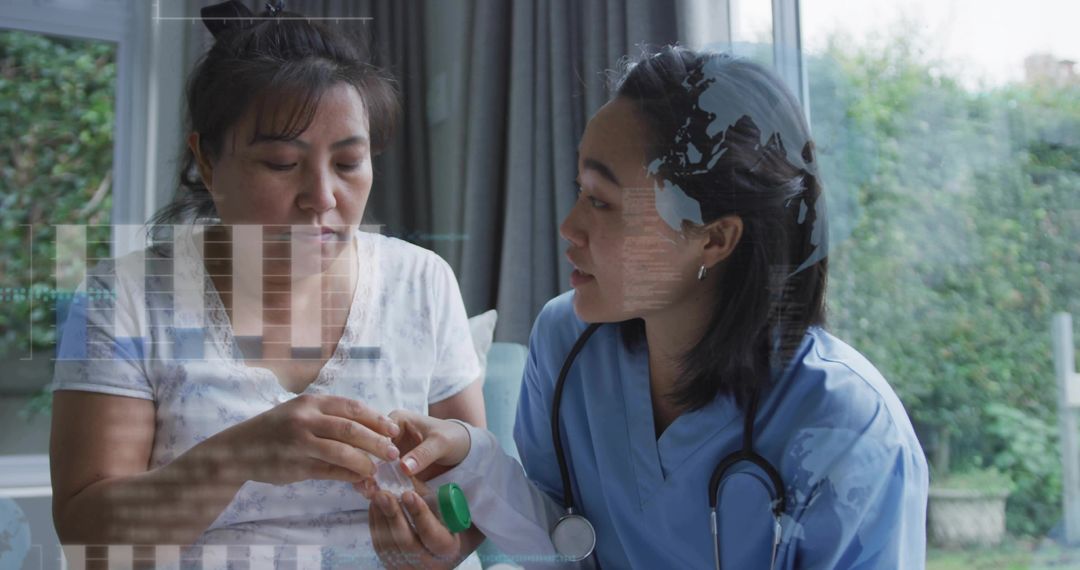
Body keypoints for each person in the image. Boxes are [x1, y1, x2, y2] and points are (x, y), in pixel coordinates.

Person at [360, 47, 928, 569]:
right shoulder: (567, 343)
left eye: (602, 201)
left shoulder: (851, 429)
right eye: (580, 190)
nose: (569, 226)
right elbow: (555, 539)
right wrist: (473, 461)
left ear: (712, 238)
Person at [48, 2, 486, 567]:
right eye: (281, 164)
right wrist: (239, 454)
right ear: (207, 161)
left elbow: (477, 491)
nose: (322, 197)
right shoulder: (124, 301)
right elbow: (92, 543)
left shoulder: (422, 282)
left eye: (349, 163)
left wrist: (445, 546)